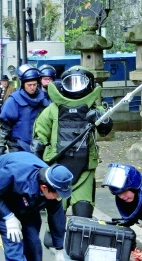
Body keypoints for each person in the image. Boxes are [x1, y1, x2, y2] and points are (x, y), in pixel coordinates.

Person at [32, 65, 113, 247]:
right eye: (71, 82)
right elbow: (40, 134)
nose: (75, 86)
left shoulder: (94, 108)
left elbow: (106, 128)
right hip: (56, 168)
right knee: (56, 209)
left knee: (83, 210)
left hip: (84, 170)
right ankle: (55, 235)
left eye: (80, 82)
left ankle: (80, 242)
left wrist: (102, 119)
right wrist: (36, 161)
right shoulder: (53, 109)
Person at [0, 64, 50, 156]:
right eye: (29, 85)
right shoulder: (13, 100)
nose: (32, 87)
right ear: (23, 84)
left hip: (39, 146)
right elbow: (5, 126)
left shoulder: (44, 99)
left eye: (34, 84)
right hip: (17, 145)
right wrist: (1, 145)